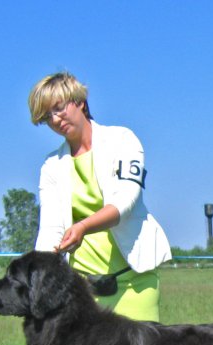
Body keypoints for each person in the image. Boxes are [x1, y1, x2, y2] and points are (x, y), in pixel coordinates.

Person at [28, 72, 171, 321]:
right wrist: (37, 278)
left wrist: (83, 227)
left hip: (134, 282)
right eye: (47, 116)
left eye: (59, 108)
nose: (55, 119)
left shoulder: (122, 140)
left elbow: (124, 202)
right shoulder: (51, 166)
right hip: (82, 292)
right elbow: (50, 230)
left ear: (80, 102)